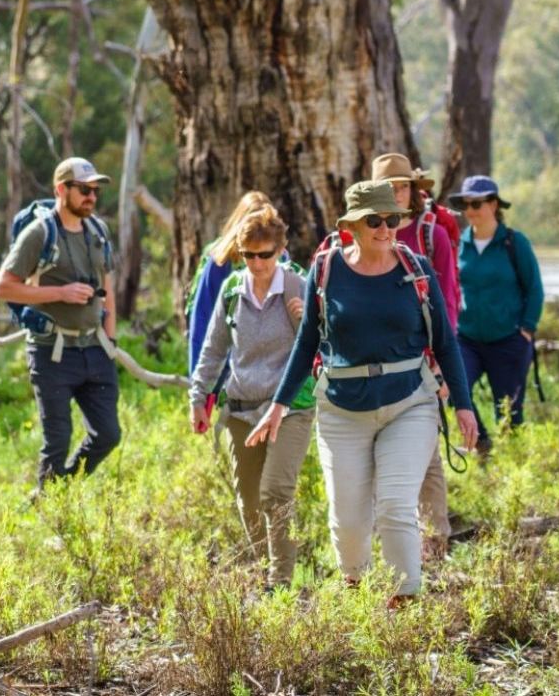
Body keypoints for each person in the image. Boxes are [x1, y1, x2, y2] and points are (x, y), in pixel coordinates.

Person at [249, 180, 480, 603]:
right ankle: (356, 591)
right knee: (350, 521)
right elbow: (306, 344)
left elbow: (445, 343)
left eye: (392, 218)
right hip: (341, 411)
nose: (386, 227)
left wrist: (463, 406)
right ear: (352, 225)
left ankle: (405, 601)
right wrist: (278, 406)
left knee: (395, 506)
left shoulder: (415, 270)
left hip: (410, 404)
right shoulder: (326, 270)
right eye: (375, 220)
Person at [187, 203, 314, 588]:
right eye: (248, 255)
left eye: (265, 255)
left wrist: (307, 315)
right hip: (241, 407)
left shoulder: (297, 286)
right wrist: (199, 397)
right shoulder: (231, 291)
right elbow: (213, 350)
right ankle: (264, 571)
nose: (257, 264)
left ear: (280, 250)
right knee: (249, 502)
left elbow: (323, 344)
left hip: (290, 407)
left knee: (275, 492)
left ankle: (281, 582)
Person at [0, 156, 121, 485]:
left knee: (108, 434)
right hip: (53, 351)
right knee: (57, 443)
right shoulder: (39, 233)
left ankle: (63, 491)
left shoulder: (98, 230)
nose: (91, 196)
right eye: (84, 189)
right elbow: (3, 288)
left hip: (95, 348)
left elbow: (107, 287)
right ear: (61, 189)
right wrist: (60, 293)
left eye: (95, 190)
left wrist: (111, 339)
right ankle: (51, 514)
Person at [371, 153, 462, 560]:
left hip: (424, 361)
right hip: (372, 364)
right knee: (374, 449)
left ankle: (434, 539)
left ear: (413, 191)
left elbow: (451, 303)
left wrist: (443, 360)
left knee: (426, 453)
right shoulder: (361, 236)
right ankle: (384, 540)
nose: (396, 194)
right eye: (388, 187)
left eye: (403, 186)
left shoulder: (431, 236)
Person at [450, 173, 546, 436]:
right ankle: (482, 445)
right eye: (465, 205)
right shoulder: (458, 244)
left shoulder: (515, 243)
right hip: (467, 340)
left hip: (508, 342)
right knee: (454, 391)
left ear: (493, 205)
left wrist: (526, 330)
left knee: (509, 412)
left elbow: (535, 289)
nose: (470, 211)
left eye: (476, 204)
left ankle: (510, 465)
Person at [186, 190, 278, 373]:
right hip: (229, 368)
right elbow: (201, 321)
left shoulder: (280, 257)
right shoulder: (220, 262)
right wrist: (198, 382)